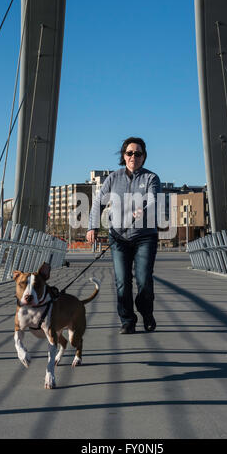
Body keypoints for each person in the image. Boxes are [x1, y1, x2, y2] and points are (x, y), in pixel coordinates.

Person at [86, 137, 160, 334]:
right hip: (118, 237)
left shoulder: (151, 178)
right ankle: (127, 320)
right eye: (129, 153)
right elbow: (98, 203)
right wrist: (92, 226)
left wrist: (143, 210)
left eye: (138, 153)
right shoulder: (113, 178)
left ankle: (146, 312)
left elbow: (153, 200)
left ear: (144, 157)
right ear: (123, 156)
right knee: (122, 281)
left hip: (145, 236)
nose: (133, 157)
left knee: (144, 280)